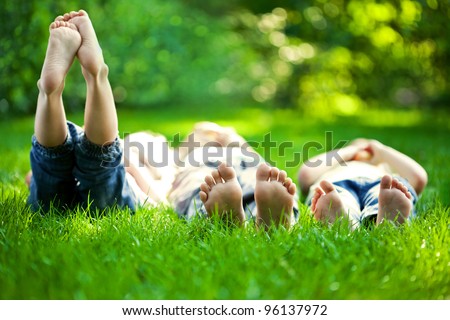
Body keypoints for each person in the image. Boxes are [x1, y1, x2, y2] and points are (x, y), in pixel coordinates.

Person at [28, 10, 298, 229]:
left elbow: (33, 176)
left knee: (53, 160)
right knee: (99, 156)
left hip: (63, 187)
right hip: (112, 189)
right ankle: (94, 77)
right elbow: (155, 195)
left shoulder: (175, 164)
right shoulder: (172, 164)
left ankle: (52, 91)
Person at [28, 10, 136, 212]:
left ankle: (85, 81)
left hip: (105, 171)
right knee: (53, 165)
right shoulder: (159, 152)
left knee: (96, 156)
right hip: (105, 195)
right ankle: (94, 77)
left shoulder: (145, 146)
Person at [123, 122, 298, 229]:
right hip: (203, 167)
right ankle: (265, 220)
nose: (215, 136)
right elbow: (159, 192)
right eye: (202, 134)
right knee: (204, 188)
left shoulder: (239, 149)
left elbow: (261, 168)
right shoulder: (179, 164)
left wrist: (237, 143)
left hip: (243, 162)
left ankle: (266, 216)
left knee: (263, 181)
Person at [297, 138, 428, 228]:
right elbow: (306, 174)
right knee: (337, 199)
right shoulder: (336, 167)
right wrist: (349, 151)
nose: (363, 150)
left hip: (380, 184)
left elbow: (418, 178)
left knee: (386, 195)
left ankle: (388, 219)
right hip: (336, 184)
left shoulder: (384, 170)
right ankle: (344, 221)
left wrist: (382, 151)